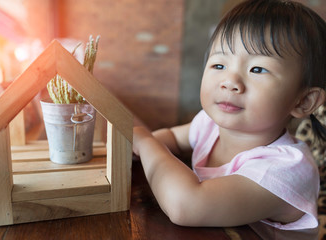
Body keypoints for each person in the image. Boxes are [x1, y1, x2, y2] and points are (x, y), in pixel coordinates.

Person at [132, 0, 326, 239]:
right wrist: (141, 147)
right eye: (219, 64)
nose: (229, 81)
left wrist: (145, 142)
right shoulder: (210, 125)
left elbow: (186, 205)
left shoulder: (285, 170)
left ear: (304, 101)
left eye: (257, 69)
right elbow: (172, 137)